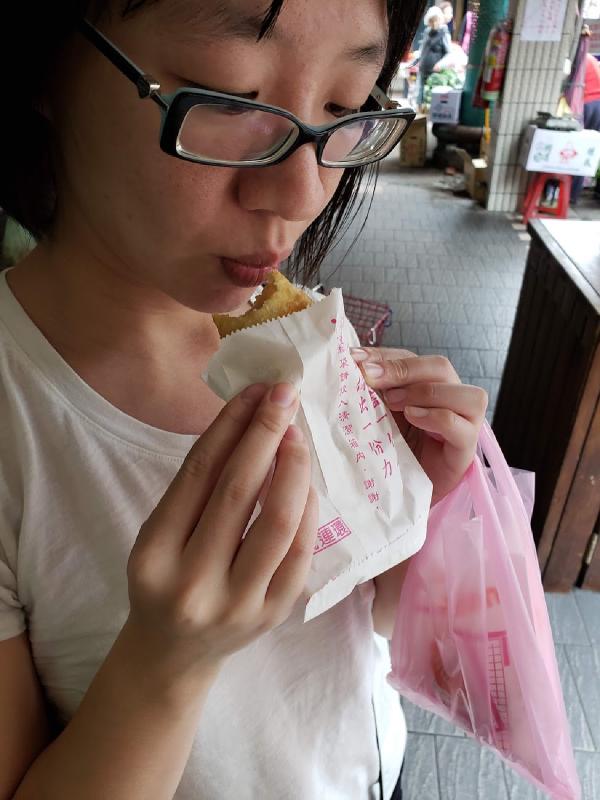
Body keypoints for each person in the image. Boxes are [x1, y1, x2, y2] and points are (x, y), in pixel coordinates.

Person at [0, 2, 488, 799]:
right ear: (46, 66)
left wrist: (425, 512)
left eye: (342, 106)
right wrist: (163, 665)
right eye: (227, 97)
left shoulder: (309, 336)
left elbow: (371, 627)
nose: (299, 193)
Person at [571, 51, 600, 204]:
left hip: (588, 104)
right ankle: (573, 195)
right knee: (586, 150)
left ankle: (570, 194)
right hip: (597, 104)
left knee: (578, 148)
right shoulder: (588, 57)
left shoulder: (578, 58)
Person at [416, 6, 451, 107]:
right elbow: (422, 49)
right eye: (431, 21)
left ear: (440, 20)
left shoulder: (444, 33)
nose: (434, 23)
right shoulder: (427, 31)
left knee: (431, 98)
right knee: (420, 94)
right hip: (423, 68)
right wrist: (416, 60)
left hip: (435, 72)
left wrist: (440, 64)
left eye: (436, 20)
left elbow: (449, 53)